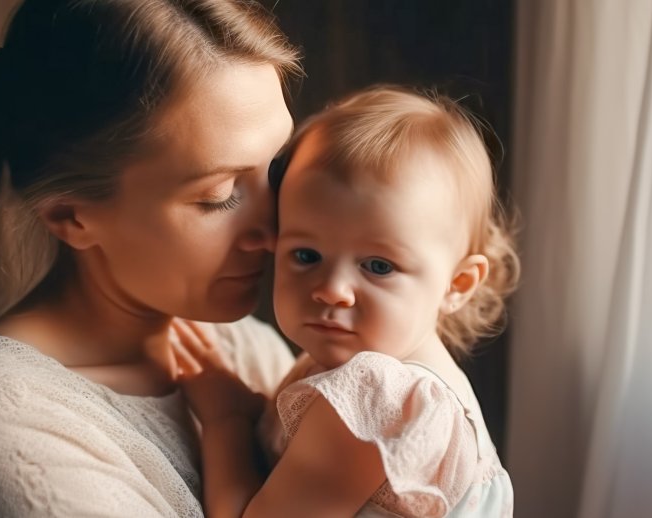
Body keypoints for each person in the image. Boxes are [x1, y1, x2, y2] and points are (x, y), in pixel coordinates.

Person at [0, 0, 302, 516]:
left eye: (276, 168)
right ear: (71, 217)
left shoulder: (246, 350)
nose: (276, 231)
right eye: (220, 195)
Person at [171, 86, 519, 517]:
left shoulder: (378, 400)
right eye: (306, 256)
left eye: (377, 266)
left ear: (457, 284)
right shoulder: (371, 371)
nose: (332, 289)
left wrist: (225, 422)